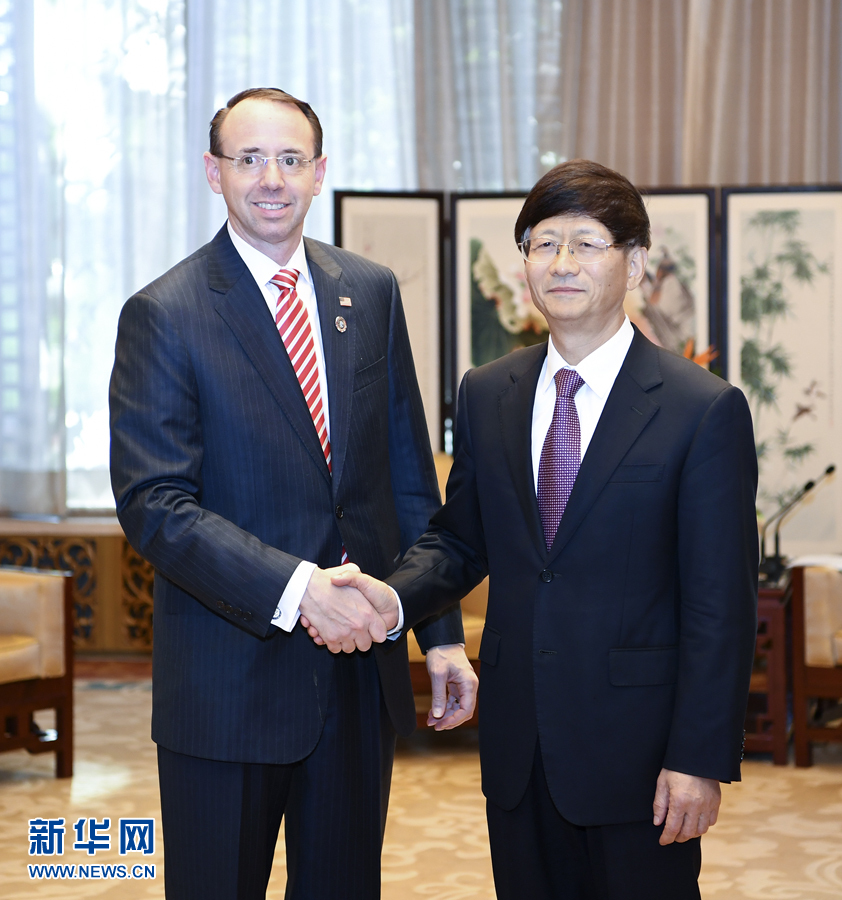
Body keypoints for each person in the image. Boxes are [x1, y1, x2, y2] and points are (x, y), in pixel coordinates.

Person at [330, 159, 759, 900]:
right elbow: (459, 540)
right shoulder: (488, 392)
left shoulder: (702, 409)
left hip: (640, 755)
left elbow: (721, 605)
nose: (562, 263)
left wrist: (699, 757)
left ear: (635, 264)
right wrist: (391, 599)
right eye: (543, 243)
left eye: (587, 244)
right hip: (519, 747)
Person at [109, 87, 477, 900]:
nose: (271, 178)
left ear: (319, 172)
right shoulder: (164, 313)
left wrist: (441, 634)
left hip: (358, 680)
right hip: (227, 686)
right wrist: (298, 589)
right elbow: (155, 505)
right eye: (249, 159)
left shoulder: (369, 291)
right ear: (214, 173)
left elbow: (406, 476)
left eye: (289, 159)